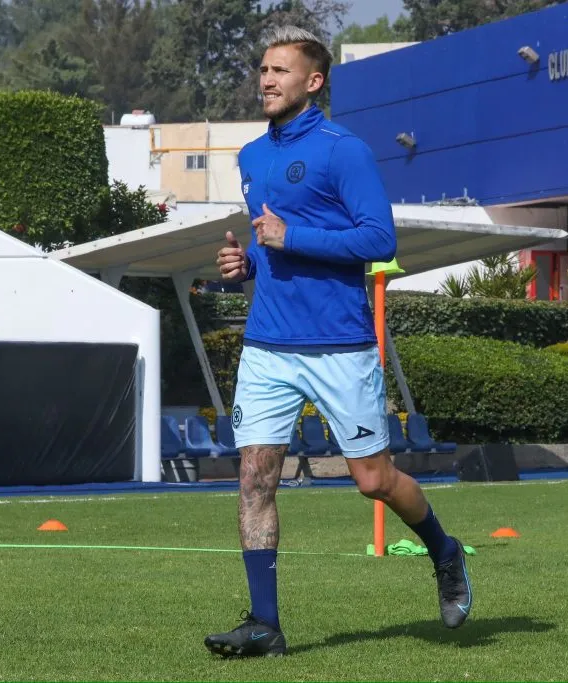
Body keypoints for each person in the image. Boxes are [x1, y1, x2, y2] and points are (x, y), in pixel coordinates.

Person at [205, 25, 472, 659]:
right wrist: (245, 269)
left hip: (339, 346)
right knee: (254, 478)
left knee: (374, 480)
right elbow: (271, 249)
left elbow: (379, 241)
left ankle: (446, 551)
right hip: (268, 344)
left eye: (281, 70)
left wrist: (288, 237)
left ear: (314, 81)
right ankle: (265, 625)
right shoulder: (250, 156)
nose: (267, 80)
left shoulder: (342, 150)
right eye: (263, 69)